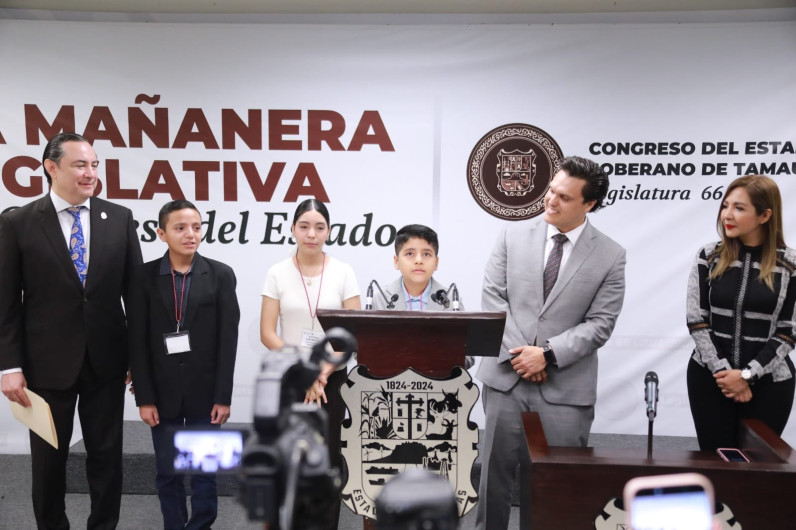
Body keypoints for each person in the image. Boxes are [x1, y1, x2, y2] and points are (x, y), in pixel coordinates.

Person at [0, 132, 143, 529]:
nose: (90, 173)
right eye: (80, 165)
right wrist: (9, 365)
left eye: (94, 165)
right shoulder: (18, 223)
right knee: (48, 460)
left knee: (106, 456)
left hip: (107, 362)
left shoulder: (119, 218)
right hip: (45, 365)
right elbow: (6, 303)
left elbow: (136, 296)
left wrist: (138, 359)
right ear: (51, 167)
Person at [475, 156, 626, 530]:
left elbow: (601, 324)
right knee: (492, 479)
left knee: (556, 489)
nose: (551, 201)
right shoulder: (511, 236)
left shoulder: (611, 255)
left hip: (565, 389)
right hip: (506, 380)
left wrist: (547, 355)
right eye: (551, 191)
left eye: (564, 197)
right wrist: (522, 357)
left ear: (589, 204)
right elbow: (493, 300)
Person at [128, 200, 240, 529]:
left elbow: (228, 341)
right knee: (168, 472)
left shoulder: (220, 275)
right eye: (180, 228)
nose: (190, 234)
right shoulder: (143, 277)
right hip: (161, 394)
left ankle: (201, 524)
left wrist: (223, 397)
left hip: (206, 393)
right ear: (161, 233)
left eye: (196, 227)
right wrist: (144, 398)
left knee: (204, 472)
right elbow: (137, 340)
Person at [259, 198, 360, 525]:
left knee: (327, 460)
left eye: (319, 227)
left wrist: (321, 373)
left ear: (329, 231)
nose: (311, 234)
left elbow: (351, 334)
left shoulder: (344, 272)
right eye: (304, 226)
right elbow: (267, 333)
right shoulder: (277, 272)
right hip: (291, 379)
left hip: (331, 382)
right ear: (293, 229)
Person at [686, 175, 796, 452]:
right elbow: (697, 320)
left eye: (739, 208)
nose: (727, 215)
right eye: (725, 206)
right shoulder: (708, 255)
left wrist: (748, 375)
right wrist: (726, 373)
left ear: (765, 215)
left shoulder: (790, 264)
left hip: (771, 382)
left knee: (759, 470)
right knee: (716, 464)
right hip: (711, 379)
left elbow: (788, 331)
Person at [372, 224, 462, 311]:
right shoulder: (381, 298)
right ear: (396, 261)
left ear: (436, 262)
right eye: (409, 254)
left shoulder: (452, 299)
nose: (418, 260)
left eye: (426, 254)